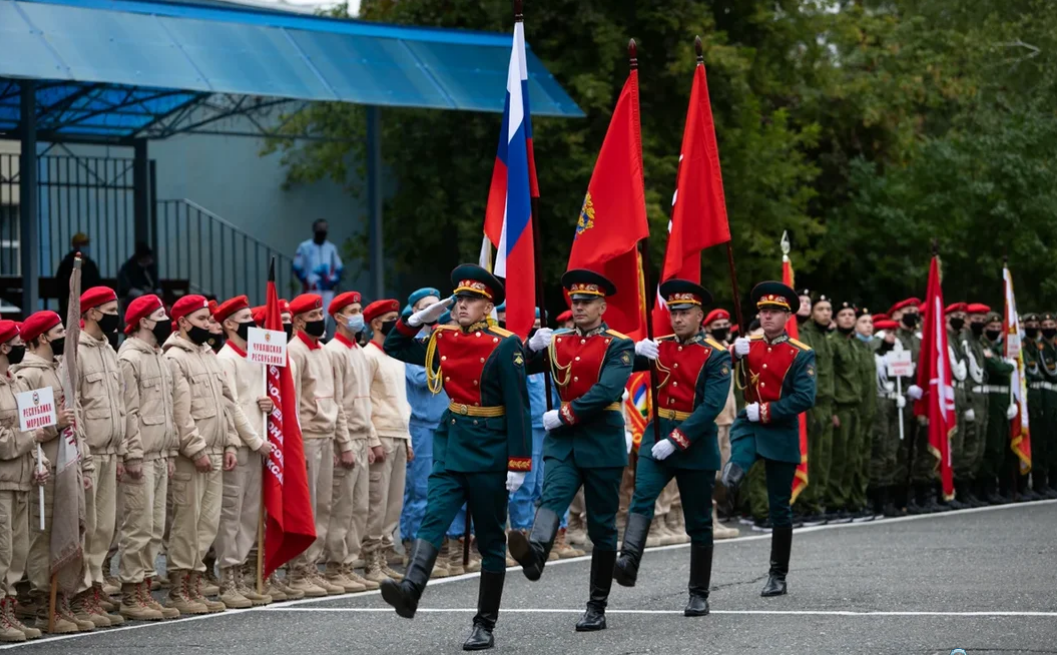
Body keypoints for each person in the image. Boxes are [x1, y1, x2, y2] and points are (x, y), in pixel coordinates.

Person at [380, 264, 530, 651]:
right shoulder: (442, 336)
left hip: (490, 448)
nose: (461, 305)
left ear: (488, 306)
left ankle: (485, 624)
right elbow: (393, 347)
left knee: (490, 539)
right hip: (452, 441)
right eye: (459, 298)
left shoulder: (505, 344)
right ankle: (411, 589)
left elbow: (518, 408)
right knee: (435, 515)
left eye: (471, 299)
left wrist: (518, 463)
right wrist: (416, 320)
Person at [509, 269, 634, 632]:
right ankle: (535, 555)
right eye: (575, 301)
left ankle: (597, 604)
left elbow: (607, 391)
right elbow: (517, 368)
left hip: (600, 441)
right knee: (552, 496)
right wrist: (530, 345)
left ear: (602, 306)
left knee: (601, 527)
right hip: (564, 443)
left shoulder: (618, 345)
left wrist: (564, 414)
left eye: (586, 302)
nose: (578, 307)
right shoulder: (557, 341)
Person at [615, 280, 731, 617]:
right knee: (643, 495)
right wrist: (634, 352)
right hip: (657, 433)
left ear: (699, 315)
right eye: (674, 312)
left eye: (684, 313)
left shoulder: (716, 355)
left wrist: (677, 440)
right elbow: (617, 364)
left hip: (693, 443)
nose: (677, 318)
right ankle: (629, 561)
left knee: (698, 520)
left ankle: (698, 593)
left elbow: (712, 406)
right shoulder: (658, 346)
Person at [721, 281, 816, 597]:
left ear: (787, 316)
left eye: (774, 312)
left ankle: (778, 574)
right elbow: (713, 364)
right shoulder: (749, 345)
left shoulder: (800, 354)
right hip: (748, 424)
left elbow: (805, 398)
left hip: (779, 428)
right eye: (763, 311)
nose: (766, 317)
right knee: (742, 452)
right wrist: (732, 352)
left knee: (779, 508)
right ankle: (727, 485)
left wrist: (766, 411)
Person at [163, 295, 251, 614]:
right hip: (194, 454)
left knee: (207, 523)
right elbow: (180, 413)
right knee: (187, 522)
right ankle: (179, 587)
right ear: (183, 322)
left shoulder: (207, 353)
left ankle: (194, 582)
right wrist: (197, 448)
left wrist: (229, 442)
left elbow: (226, 403)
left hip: (216, 449)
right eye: (201, 319)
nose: (207, 324)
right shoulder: (175, 358)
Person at [13, 311, 86, 633]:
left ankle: (63, 598)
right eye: (59, 331)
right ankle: (45, 602)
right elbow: (30, 428)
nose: (64, 336)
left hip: (68, 464)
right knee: (43, 538)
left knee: (70, 528)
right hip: (46, 467)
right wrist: (55, 425)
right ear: (43, 337)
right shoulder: (29, 374)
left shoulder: (59, 371)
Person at [116, 295, 179, 621]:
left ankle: (144, 586)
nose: (166, 320)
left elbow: (166, 410)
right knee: (138, 526)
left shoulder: (158, 356)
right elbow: (129, 411)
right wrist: (134, 454)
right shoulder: (130, 358)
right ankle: (131, 591)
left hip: (159, 453)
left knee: (154, 528)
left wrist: (168, 451)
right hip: (140, 457)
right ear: (143, 321)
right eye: (159, 315)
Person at [286, 294, 353, 597]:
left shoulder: (324, 352)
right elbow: (291, 402)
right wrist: (296, 446)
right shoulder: (294, 352)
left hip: (327, 437)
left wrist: (343, 442)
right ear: (298, 321)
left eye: (319, 313)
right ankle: (299, 569)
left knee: (324, 505)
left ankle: (313, 565)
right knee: (307, 506)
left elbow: (337, 402)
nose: (318, 319)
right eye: (311, 315)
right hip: (309, 437)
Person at [213, 296, 275, 608]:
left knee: (250, 514)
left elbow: (259, 397)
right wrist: (255, 441)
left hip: (257, 444)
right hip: (240, 444)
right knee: (232, 514)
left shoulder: (256, 355)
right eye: (246, 317)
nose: (253, 321)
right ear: (229, 324)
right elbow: (232, 407)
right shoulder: (226, 359)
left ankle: (241, 573)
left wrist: (269, 403)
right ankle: (228, 576)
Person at [73, 286, 127, 628]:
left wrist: (121, 450)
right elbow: (76, 405)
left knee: (106, 527)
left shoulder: (109, 348)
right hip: (89, 451)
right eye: (109, 309)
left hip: (111, 450)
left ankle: (94, 585)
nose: (115, 315)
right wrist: (82, 454)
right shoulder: (76, 350)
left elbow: (119, 402)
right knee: (88, 528)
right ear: (91, 312)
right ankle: (79, 594)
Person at [324, 292, 380, 592]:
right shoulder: (334, 351)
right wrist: (344, 443)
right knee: (342, 506)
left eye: (360, 309)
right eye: (353, 310)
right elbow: (338, 403)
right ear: (339, 317)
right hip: (346, 438)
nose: (358, 315)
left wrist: (371, 440)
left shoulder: (358, 351)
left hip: (362, 434)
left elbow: (365, 402)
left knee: (359, 506)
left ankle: (350, 562)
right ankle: (335, 564)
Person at [0, 320, 47, 642]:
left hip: (22, 481)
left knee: (17, 553)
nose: (21, 346)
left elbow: (35, 430)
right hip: (2, 483)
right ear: (4, 347)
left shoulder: (16, 382)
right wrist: (31, 438)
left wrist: (38, 461)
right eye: (16, 342)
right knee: (1, 552)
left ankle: (9, 610)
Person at [399, 288, 449, 578]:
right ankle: (413, 547)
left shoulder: (446, 340)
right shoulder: (414, 345)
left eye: (437, 306)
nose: (435, 312)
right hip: (421, 425)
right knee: (420, 490)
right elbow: (422, 378)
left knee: (443, 489)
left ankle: (437, 544)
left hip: (444, 424)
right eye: (426, 307)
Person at [361, 299, 411, 585]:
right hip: (380, 432)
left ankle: (383, 553)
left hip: (399, 432)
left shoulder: (395, 355)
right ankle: (371, 560)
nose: (396, 322)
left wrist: (409, 439)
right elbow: (363, 399)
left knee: (393, 502)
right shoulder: (369, 355)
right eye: (391, 318)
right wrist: (372, 438)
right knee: (377, 502)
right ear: (377, 323)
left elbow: (401, 400)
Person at [795, 292, 832, 526]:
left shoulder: (824, 336)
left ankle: (816, 501)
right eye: (820, 309)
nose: (825, 313)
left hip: (828, 403)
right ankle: (803, 502)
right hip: (810, 403)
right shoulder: (803, 333)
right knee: (806, 455)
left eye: (829, 310)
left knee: (823, 457)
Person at [704, 308, 739, 540]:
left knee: (720, 473)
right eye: (718, 324)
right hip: (713, 421)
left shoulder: (726, 348)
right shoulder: (708, 348)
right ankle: (708, 518)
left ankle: (714, 517)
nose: (723, 327)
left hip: (728, 419)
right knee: (709, 472)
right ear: (707, 327)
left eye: (726, 323)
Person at [827, 301, 864, 523]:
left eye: (851, 314)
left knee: (852, 457)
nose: (849, 318)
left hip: (855, 407)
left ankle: (848, 499)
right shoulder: (833, 343)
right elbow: (829, 377)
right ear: (836, 319)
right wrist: (832, 409)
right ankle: (834, 502)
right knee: (838, 458)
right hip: (840, 406)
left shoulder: (854, 344)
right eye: (844, 315)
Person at [979, 312, 1016, 502]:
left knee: (1001, 444)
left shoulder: (1001, 348)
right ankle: (986, 488)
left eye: (996, 328)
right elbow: (996, 368)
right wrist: (1008, 366)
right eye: (990, 328)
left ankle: (996, 487)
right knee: (991, 444)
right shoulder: (983, 346)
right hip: (991, 398)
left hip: (1003, 399)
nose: (994, 330)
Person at [869, 319, 903, 517]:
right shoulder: (873, 350)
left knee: (892, 451)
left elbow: (904, 376)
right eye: (888, 332)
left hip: (893, 402)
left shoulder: (896, 352)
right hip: (879, 402)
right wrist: (879, 341)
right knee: (879, 451)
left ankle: (888, 496)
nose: (893, 336)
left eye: (894, 332)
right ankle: (877, 498)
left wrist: (904, 392)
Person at [944, 303, 974, 509]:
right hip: (950, 394)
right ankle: (945, 491)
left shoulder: (959, 339)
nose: (961, 319)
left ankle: (959, 490)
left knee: (961, 446)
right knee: (950, 445)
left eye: (963, 316)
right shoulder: (945, 338)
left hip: (962, 395)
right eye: (956, 315)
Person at [852, 308, 877, 519]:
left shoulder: (869, 347)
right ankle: (852, 500)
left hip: (869, 409)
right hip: (855, 410)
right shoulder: (855, 346)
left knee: (864, 455)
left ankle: (860, 498)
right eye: (864, 321)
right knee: (854, 456)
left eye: (870, 322)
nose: (868, 325)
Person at [292, 220, 344, 322]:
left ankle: (323, 336)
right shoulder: (304, 247)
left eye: (324, 229)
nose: (322, 231)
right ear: (314, 230)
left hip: (327, 288)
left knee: (326, 315)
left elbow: (339, 267)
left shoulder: (331, 248)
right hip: (312, 288)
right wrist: (306, 280)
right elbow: (297, 266)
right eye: (319, 228)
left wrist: (332, 281)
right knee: (311, 312)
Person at [1035, 313, 1057, 499]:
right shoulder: (1041, 347)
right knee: (1046, 438)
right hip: (1047, 394)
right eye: (1046, 324)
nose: (1049, 327)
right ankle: (1042, 482)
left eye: (1052, 323)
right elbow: (1051, 371)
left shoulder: (1054, 345)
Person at [56, 233, 102, 319]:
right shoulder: (68, 263)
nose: (85, 247)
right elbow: (62, 284)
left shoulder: (90, 264)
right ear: (75, 246)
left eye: (86, 244)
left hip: (90, 301)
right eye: (82, 244)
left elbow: (97, 283)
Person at [116, 244, 160, 315]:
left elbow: (156, 283)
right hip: (132, 297)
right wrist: (142, 293)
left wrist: (157, 290)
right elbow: (126, 288)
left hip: (149, 295)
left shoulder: (150, 266)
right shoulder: (128, 267)